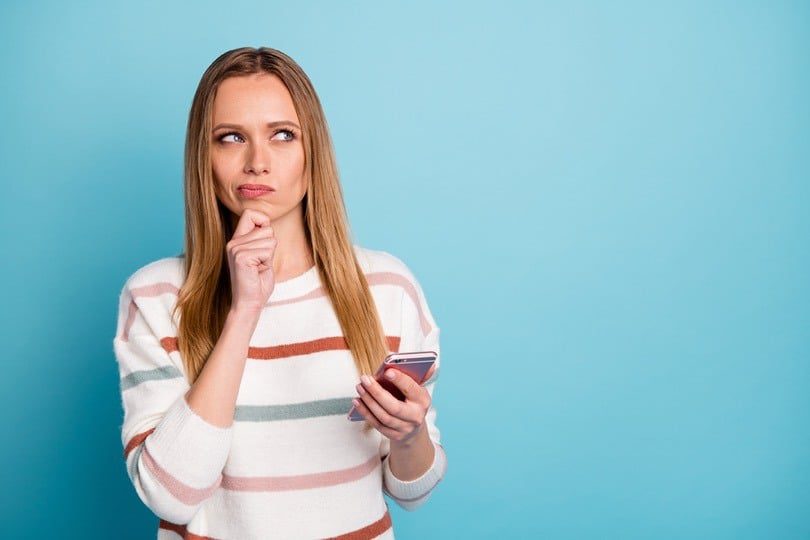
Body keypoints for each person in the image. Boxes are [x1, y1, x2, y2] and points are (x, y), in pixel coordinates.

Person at [112, 47, 447, 539]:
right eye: (231, 138)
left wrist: (409, 434)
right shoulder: (156, 296)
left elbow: (413, 491)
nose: (257, 162)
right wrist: (244, 311)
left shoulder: (387, 288)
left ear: (314, 152)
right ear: (204, 157)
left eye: (283, 135)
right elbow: (171, 496)